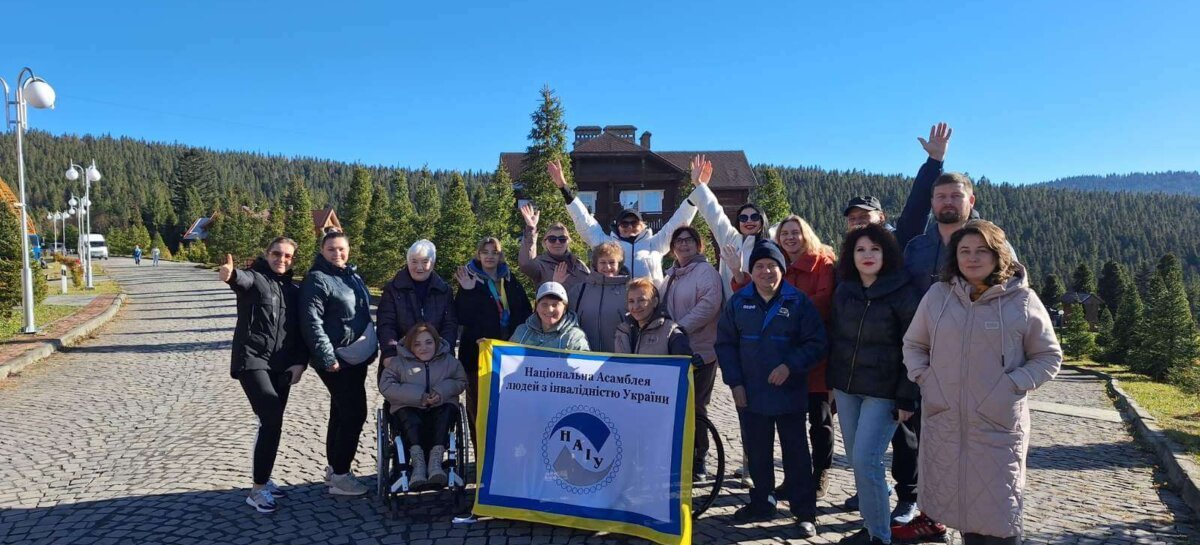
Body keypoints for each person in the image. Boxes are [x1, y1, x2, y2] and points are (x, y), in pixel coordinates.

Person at [903, 220, 1061, 545]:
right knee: (963, 512)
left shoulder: (1022, 300)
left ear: (998, 254)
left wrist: (1011, 387)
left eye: (981, 251)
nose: (972, 258)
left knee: (1001, 517)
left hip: (997, 425)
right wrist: (926, 380)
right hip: (945, 422)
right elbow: (914, 345)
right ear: (955, 256)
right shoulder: (938, 296)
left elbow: (1048, 356)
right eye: (965, 251)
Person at [715, 241, 826, 537]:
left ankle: (805, 513)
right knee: (758, 453)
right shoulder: (738, 303)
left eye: (772, 266)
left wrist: (790, 365)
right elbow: (725, 345)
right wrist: (734, 383)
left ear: (782, 269)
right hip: (750, 394)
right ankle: (762, 503)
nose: (766, 271)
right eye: (760, 266)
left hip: (789, 394)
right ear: (751, 272)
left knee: (797, 455)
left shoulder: (799, 302)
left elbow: (816, 343)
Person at [827, 224, 922, 545]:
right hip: (847, 388)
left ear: (887, 253)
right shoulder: (845, 290)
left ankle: (880, 537)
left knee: (868, 460)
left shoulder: (904, 293)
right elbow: (837, 340)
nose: (867, 256)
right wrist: (832, 384)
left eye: (874, 249)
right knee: (857, 460)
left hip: (884, 392)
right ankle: (870, 527)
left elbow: (916, 347)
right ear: (850, 256)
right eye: (860, 250)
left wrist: (908, 397)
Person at [732, 215, 837, 500]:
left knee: (819, 419)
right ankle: (793, 480)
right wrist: (740, 278)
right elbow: (756, 297)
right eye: (785, 234)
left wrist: (790, 310)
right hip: (781, 357)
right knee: (792, 428)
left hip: (812, 356)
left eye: (796, 232)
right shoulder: (779, 266)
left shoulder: (822, 263)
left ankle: (821, 473)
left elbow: (824, 302)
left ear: (806, 235)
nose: (791, 237)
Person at [220, 238, 308, 514]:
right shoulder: (255, 279)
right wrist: (230, 275)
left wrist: (300, 363)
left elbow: (300, 332)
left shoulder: (294, 290)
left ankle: (264, 477)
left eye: (288, 256)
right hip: (252, 361)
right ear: (267, 254)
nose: (282, 259)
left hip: (282, 366)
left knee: (272, 424)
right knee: (270, 418)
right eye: (276, 253)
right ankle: (257, 491)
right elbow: (240, 280)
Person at [299, 230, 376, 496]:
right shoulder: (317, 279)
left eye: (341, 248)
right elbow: (311, 322)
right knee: (355, 413)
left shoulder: (351, 275)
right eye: (331, 249)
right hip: (336, 360)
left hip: (355, 358)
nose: (337, 253)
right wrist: (327, 357)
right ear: (322, 251)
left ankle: (334, 469)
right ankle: (342, 475)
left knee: (340, 412)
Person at [546, 157, 699, 284]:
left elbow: (678, 221)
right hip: (618, 308)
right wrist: (563, 188)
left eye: (634, 223)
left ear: (642, 225)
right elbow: (584, 221)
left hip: (651, 309)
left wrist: (698, 189)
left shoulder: (655, 244)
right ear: (618, 227)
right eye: (624, 224)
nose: (629, 227)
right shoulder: (607, 244)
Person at [659, 226, 723, 479]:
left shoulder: (706, 272)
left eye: (689, 240)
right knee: (675, 406)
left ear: (698, 245)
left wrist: (679, 328)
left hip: (700, 351)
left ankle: (699, 457)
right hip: (673, 352)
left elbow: (710, 305)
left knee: (696, 407)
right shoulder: (671, 275)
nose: (683, 245)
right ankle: (678, 454)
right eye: (679, 241)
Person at [453, 237, 533, 425]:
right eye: (485, 252)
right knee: (480, 409)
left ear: (500, 255)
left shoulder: (509, 279)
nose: (490, 256)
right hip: (478, 355)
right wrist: (468, 291)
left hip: (508, 354)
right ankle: (480, 451)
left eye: (494, 252)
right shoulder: (469, 279)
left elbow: (525, 312)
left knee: (506, 408)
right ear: (478, 255)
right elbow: (462, 317)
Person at [378, 323, 467, 490]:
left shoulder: (449, 362)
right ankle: (418, 463)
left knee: (447, 410)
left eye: (428, 342)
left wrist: (440, 392)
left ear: (436, 342)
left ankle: (435, 462)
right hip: (410, 408)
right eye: (417, 344)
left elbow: (461, 381)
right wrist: (418, 396)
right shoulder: (398, 363)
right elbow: (386, 386)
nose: (423, 348)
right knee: (406, 414)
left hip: (439, 407)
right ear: (410, 346)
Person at [685, 156, 773, 299]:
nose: (749, 221)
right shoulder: (730, 238)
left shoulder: (770, 245)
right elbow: (714, 213)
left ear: (763, 221)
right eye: (743, 218)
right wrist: (699, 184)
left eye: (754, 217)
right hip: (730, 310)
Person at [378, 239, 458, 368]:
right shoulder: (392, 289)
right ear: (408, 262)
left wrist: (445, 352)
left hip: (436, 358)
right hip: (401, 357)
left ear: (432, 264)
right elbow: (386, 324)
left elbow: (449, 325)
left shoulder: (444, 291)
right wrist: (389, 353)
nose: (419, 267)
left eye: (425, 262)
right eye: (414, 261)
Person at [567, 241, 629, 353]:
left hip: (619, 357)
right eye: (603, 262)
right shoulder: (580, 290)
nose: (607, 267)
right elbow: (568, 322)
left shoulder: (628, 290)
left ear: (619, 265)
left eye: (612, 262)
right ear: (596, 264)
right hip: (585, 357)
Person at [517, 203, 590, 290]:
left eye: (562, 239)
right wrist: (531, 229)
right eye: (552, 239)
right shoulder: (540, 265)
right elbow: (526, 264)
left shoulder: (579, 264)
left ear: (568, 242)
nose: (557, 242)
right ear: (545, 242)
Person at [614, 277, 693, 356]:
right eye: (631, 301)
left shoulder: (671, 332)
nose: (635, 306)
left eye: (642, 300)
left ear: (655, 302)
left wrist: (693, 360)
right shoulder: (622, 331)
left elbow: (684, 363)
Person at [509, 281, 590, 351]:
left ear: (565, 308)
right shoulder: (522, 332)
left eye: (555, 305)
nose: (550, 309)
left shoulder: (574, 337)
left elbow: (583, 366)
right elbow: (507, 360)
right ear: (536, 307)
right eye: (544, 304)